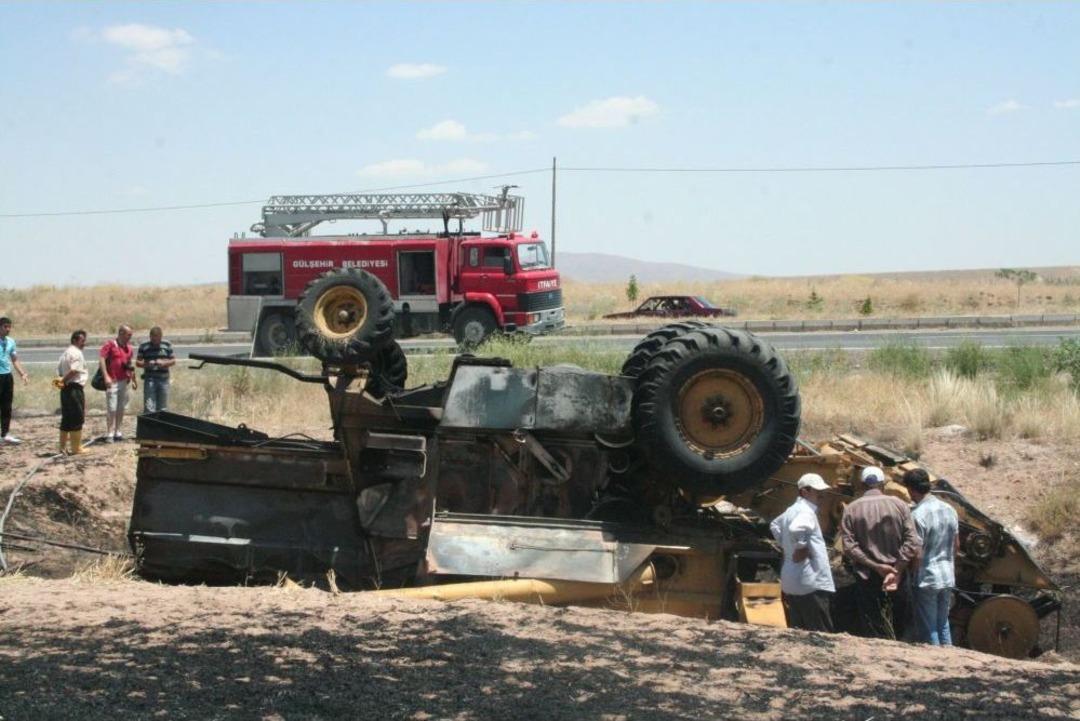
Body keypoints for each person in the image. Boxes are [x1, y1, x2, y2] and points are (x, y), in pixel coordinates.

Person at [840, 466, 922, 640]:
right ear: (882, 484)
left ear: (862, 484)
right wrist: (897, 570)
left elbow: (849, 547)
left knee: (874, 628)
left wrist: (876, 566)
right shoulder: (899, 505)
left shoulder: (852, 509)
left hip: (868, 576)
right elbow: (912, 541)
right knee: (903, 626)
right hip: (898, 576)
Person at [769, 472, 836, 632]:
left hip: (792, 580)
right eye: (816, 490)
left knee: (798, 632)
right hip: (810, 581)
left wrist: (787, 545)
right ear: (804, 491)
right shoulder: (806, 511)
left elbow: (774, 525)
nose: (822, 494)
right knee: (821, 633)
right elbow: (796, 528)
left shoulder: (792, 510)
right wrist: (801, 548)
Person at [903, 468, 959, 646]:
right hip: (947, 576)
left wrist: (912, 574)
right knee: (943, 623)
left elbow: (917, 552)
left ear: (911, 489)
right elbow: (956, 546)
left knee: (929, 628)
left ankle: (935, 664)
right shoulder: (950, 509)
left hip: (927, 578)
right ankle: (949, 659)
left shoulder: (918, 515)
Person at [100, 325, 137, 442]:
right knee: (112, 408)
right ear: (121, 333)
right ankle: (109, 432)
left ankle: (118, 431)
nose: (129, 337)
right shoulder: (110, 345)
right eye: (128, 335)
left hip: (124, 381)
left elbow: (130, 364)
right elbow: (101, 359)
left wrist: (133, 379)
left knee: (121, 408)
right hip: (112, 381)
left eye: (130, 335)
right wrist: (106, 376)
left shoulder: (129, 348)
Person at [56, 329, 89, 454]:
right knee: (77, 417)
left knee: (67, 417)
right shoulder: (77, 353)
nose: (84, 343)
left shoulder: (65, 353)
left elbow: (59, 370)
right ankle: (76, 448)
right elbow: (74, 370)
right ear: (75, 340)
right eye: (82, 341)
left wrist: (61, 381)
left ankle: (62, 447)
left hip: (65, 389)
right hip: (74, 388)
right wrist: (63, 380)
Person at [0, 316, 30, 445]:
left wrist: (22, 373)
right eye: (5, 327)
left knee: (7, 407)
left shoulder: (11, 341)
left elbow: (14, 359)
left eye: (9, 327)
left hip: (7, 376)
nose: (8, 329)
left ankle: (5, 434)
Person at [137, 326, 175, 413]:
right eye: (153, 339)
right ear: (150, 337)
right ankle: (149, 425)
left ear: (161, 337)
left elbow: (173, 361)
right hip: (150, 379)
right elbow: (138, 363)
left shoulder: (167, 345)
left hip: (164, 379)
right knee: (149, 407)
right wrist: (147, 364)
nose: (155, 341)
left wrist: (164, 363)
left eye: (157, 339)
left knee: (163, 408)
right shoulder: (144, 346)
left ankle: (161, 425)